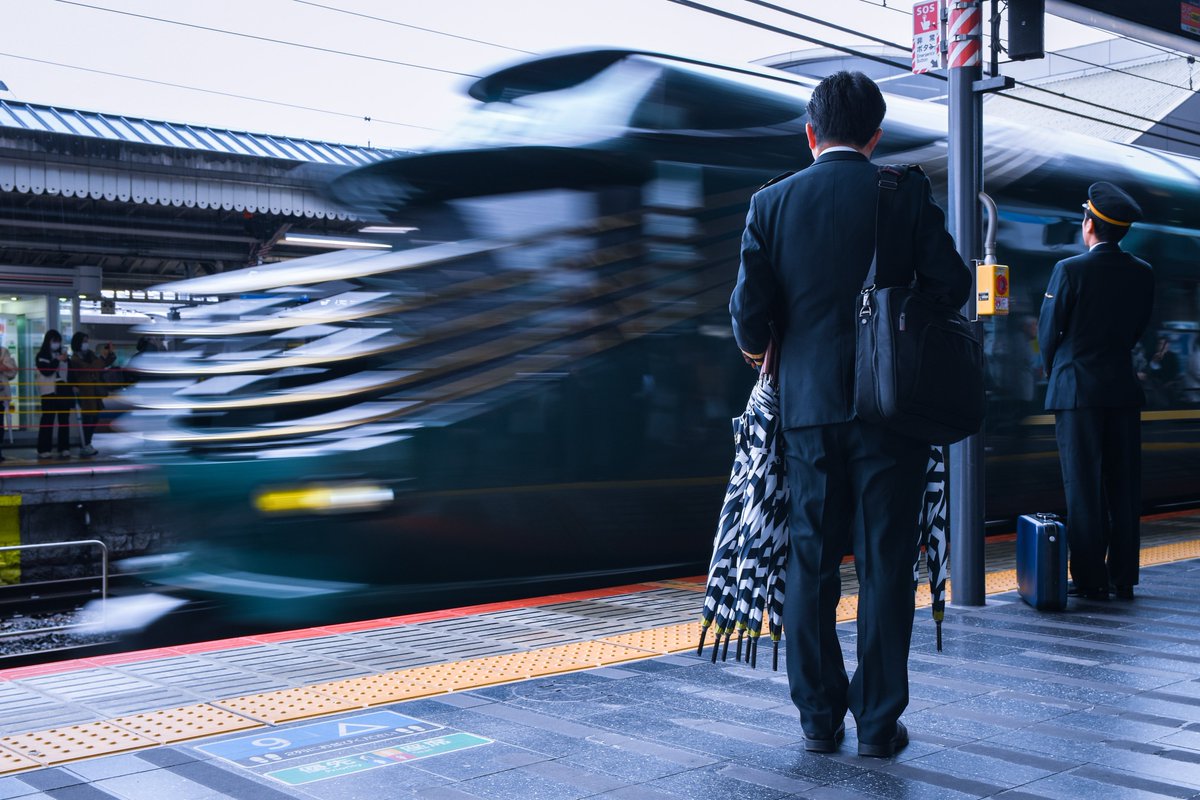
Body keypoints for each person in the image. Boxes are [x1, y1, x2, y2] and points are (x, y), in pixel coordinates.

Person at [729, 71, 970, 758]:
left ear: (812, 134)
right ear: (875, 135)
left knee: (809, 559)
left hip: (807, 412)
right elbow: (950, 286)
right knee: (886, 563)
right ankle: (877, 722)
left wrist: (770, 351)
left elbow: (749, 318)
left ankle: (817, 715)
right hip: (891, 412)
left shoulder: (769, 204)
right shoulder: (905, 191)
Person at [1039, 182, 1154, 601]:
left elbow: (1049, 332)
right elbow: (1138, 330)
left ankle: (1090, 579)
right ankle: (1124, 575)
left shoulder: (1069, 270)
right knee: (1124, 486)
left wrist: (1055, 369)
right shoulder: (1143, 273)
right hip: (1122, 390)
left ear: (1089, 225)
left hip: (1077, 393)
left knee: (1083, 485)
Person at [68, 331, 116, 457]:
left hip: (94, 391)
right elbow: (91, 368)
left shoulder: (90, 355)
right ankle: (85, 444)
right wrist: (102, 358)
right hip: (85, 393)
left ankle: (87, 443)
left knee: (94, 418)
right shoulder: (75, 359)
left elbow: (101, 364)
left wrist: (109, 354)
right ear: (78, 342)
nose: (86, 344)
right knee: (87, 419)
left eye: (87, 341)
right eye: (84, 341)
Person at [35, 330, 71, 458]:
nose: (57, 344)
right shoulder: (41, 355)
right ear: (48, 341)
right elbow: (47, 371)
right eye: (54, 341)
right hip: (48, 391)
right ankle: (44, 449)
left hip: (63, 389)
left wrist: (65, 360)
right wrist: (57, 360)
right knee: (48, 420)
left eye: (59, 341)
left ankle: (64, 447)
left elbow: (69, 372)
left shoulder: (62, 355)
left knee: (64, 420)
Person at [0, 344, 15, 461]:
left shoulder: (3, 351)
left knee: (0, 424)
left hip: (1, 393)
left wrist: (2, 366)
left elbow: (12, 371)